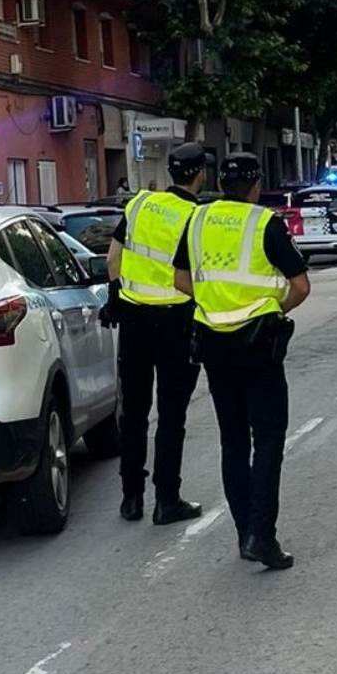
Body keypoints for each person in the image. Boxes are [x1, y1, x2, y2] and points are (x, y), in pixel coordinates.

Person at [173, 153, 312, 570]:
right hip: (257, 344)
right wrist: (275, 310)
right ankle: (262, 536)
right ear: (256, 184)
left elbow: (180, 279)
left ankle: (243, 534)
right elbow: (301, 286)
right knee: (268, 440)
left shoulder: (196, 220)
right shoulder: (263, 222)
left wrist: (214, 303)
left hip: (213, 346)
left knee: (233, 441)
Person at [102, 143, 207, 525]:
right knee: (171, 415)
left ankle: (131, 497)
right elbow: (194, 277)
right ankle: (167, 499)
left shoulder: (140, 204)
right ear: (199, 174)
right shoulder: (195, 217)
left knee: (134, 412)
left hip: (133, 321)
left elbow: (112, 258)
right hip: (176, 323)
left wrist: (115, 296)